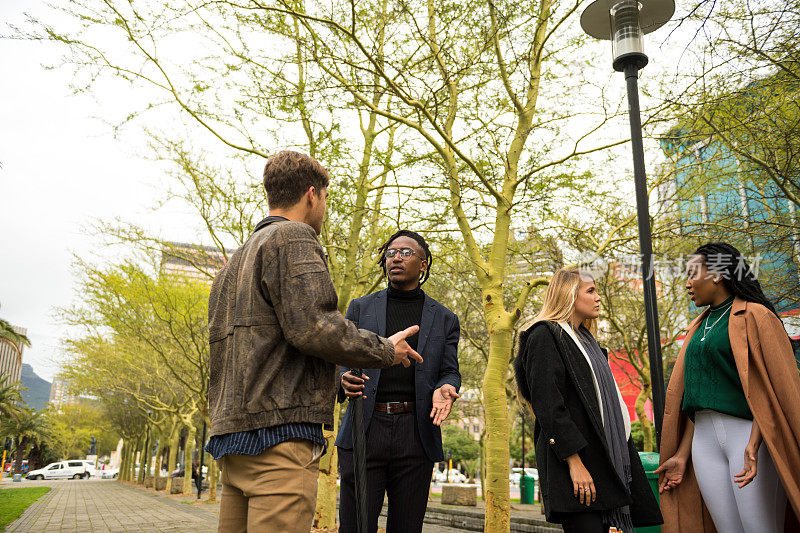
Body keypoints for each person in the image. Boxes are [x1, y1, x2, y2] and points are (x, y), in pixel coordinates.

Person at [205, 151, 423, 533]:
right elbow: (316, 327)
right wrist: (387, 350)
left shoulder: (236, 261)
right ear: (312, 195)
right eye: (325, 199)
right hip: (279, 443)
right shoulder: (293, 237)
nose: (323, 208)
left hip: (232, 442)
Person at [655, 242, 800, 533]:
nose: (687, 284)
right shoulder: (697, 327)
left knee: (760, 528)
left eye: (692, 273)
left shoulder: (758, 316)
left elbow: (775, 388)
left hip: (748, 436)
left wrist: (754, 443)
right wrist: (682, 455)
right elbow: (698, 400)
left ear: (718, 274)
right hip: (703, 443)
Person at [513, 268, 662, 533]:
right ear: (568, 295)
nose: (598, 298)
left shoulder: (588, 341)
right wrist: (575, 462)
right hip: (576, 465)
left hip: (603, 463)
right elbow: (548, 405)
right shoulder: (544, 336)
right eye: (590, 291)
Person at [335, 230, 461, 533]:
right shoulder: (360, 308)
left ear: (424, 264)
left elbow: (449, 370)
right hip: (366, 426)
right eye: (391, 252)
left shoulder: (445, 318)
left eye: (406, 252)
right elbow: (340, 357)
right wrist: (342, 379)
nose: (396, 257)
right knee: (355, 526)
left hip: (416, 433)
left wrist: (446, 387)